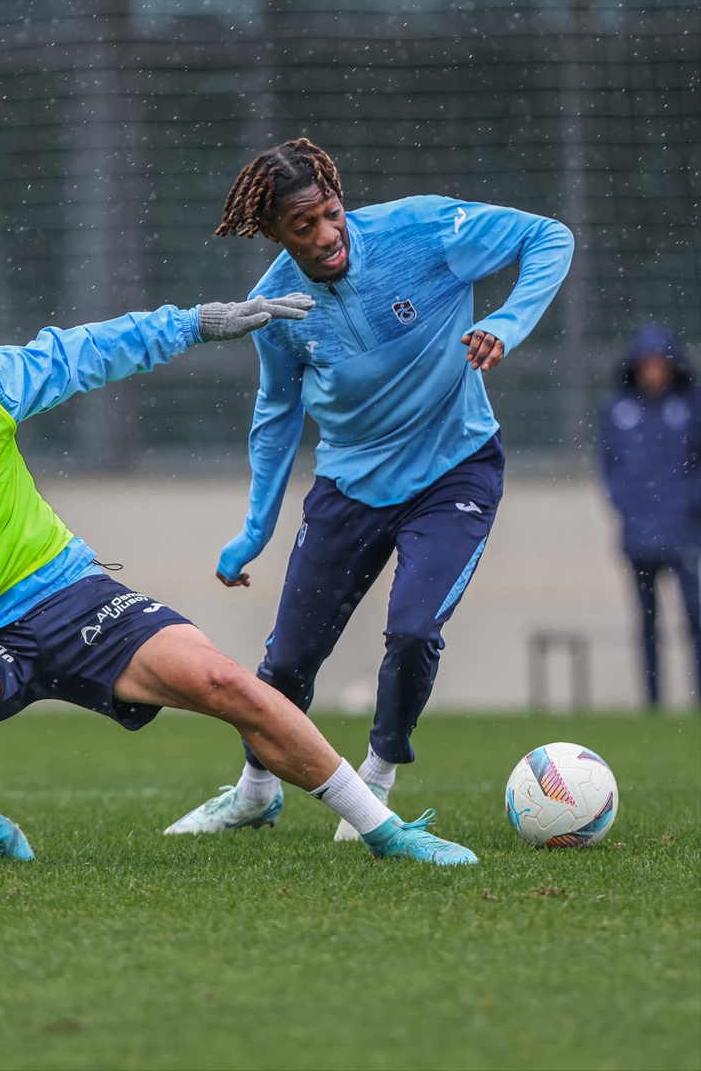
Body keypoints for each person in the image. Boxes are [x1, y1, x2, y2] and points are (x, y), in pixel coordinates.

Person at [0, 294, 479, 869]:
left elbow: (91, 349)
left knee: (226, 683)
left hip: (65, 592)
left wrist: (197, 324)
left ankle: (388, 833)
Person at [165, 138, 574, 846]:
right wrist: (255, 527)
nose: (326, 237)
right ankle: (255, 792)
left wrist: (507, 321)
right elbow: (277, 412)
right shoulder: (276, 304)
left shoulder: (421, 230)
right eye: (303, 227)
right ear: (271, 233)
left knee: (414, 631)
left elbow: (549, 236)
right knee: (287, 662)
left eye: (331, 214)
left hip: (456, 471)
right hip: (349, 486)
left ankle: (378, 780)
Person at [599, 324, 701, 705]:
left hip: (686, 533)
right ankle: (653, 702)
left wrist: (687, 505)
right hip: (639, 535)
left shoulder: (690, 405)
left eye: (662, 364)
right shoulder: (619, 409)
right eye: (648, 364)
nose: (654, 372)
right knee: (647, 622)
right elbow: (610, 468)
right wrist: (631, 510)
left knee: (695, 617)